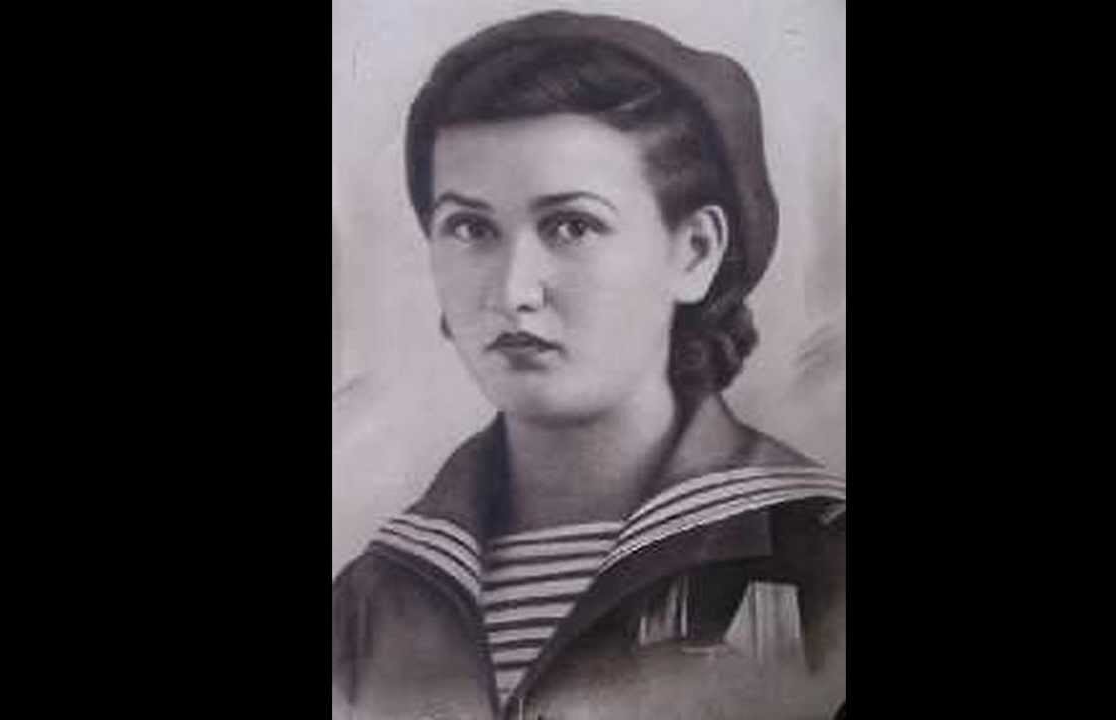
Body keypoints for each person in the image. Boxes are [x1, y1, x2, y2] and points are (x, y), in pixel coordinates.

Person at [332, 10, 846, 719]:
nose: (513, 291)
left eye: (572, 226)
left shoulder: (822, 559)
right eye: (470, 228)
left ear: (695, 251)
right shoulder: (368, 602)